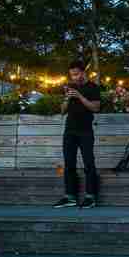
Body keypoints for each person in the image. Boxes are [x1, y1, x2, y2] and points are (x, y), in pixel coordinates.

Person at [53, 60, 101, 209]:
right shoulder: (70, 87)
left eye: (76, 74)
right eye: (71, 75)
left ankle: (90, 196)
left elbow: (95, 108)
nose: (73, 77)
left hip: (85, 131)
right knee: (69, 164)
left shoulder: (93, 87)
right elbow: (62, 111)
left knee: (89, 164)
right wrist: (67, 97)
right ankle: (70, 196)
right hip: (69, 130)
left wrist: (80, 96)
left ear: (83, 72)